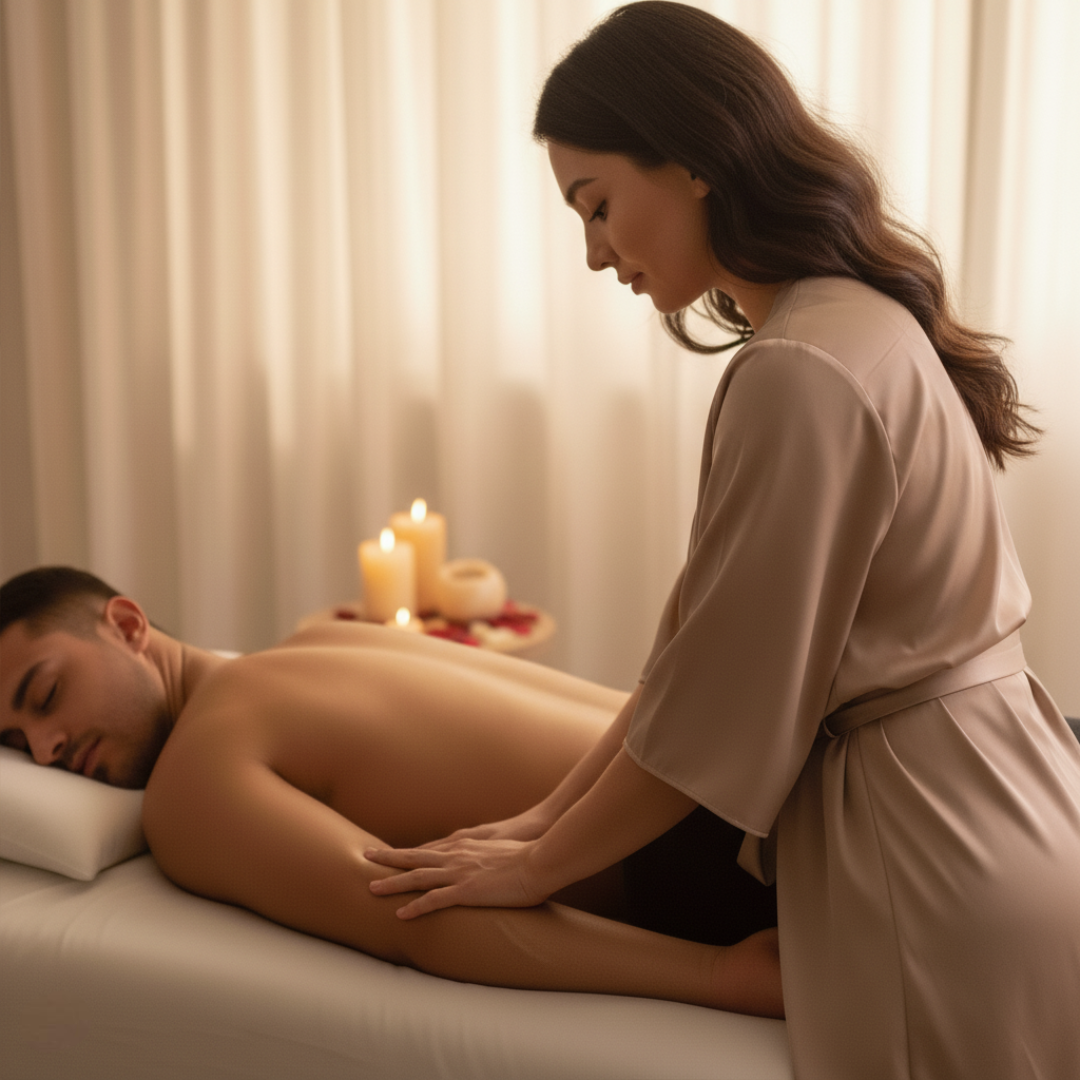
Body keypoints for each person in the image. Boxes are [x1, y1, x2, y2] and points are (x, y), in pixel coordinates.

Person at [363, 4, 1080, 1079]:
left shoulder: (798, 372)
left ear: (695, 161)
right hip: (1007, 798)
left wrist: (538, 867)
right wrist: (533, 827)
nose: (596, 254)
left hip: (928, 849)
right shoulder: (853, 321)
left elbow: (722, 714)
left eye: (598, 206)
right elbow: (692, 662)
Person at [0, 565, 782, 1018]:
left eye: (44, 695)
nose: (46, 748)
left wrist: (720, 978)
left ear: (128, 625)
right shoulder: (317, 641)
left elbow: (415, 919)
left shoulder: (195, 781)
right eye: (14, 745)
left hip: (710, 856)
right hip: (748, 751)